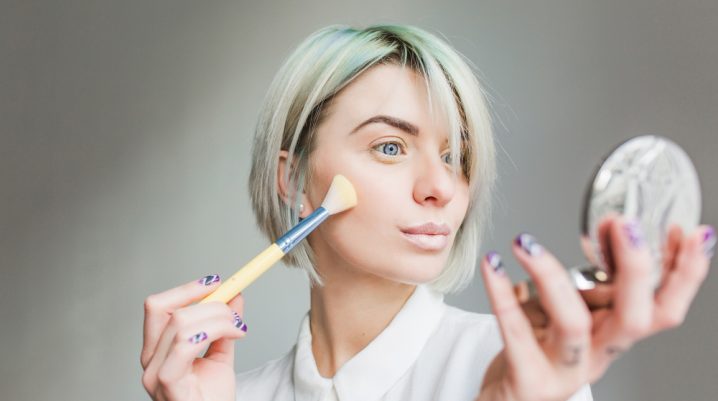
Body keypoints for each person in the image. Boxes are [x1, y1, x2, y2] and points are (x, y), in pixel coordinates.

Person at [140, 24, 714, 401]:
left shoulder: (522, 369)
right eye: (390, 147)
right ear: (292, 178)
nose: (442, 186)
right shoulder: (228, 394)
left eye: (455, 156)